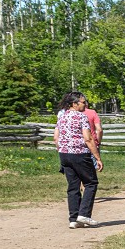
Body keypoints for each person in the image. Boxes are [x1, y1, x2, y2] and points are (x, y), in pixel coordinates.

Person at [54, 91, 102, 228]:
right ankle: (84, 214)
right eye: (83, 102)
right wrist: (97, 157)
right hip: (79, 153)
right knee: (91, 182)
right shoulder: (81, 117)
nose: (85, 105)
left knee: (73, 186)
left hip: (64, 154)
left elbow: (55, 138)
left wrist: (62, 150)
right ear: (74, 104)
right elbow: (88, 138)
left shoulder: (61, 117)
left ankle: (73, 218)